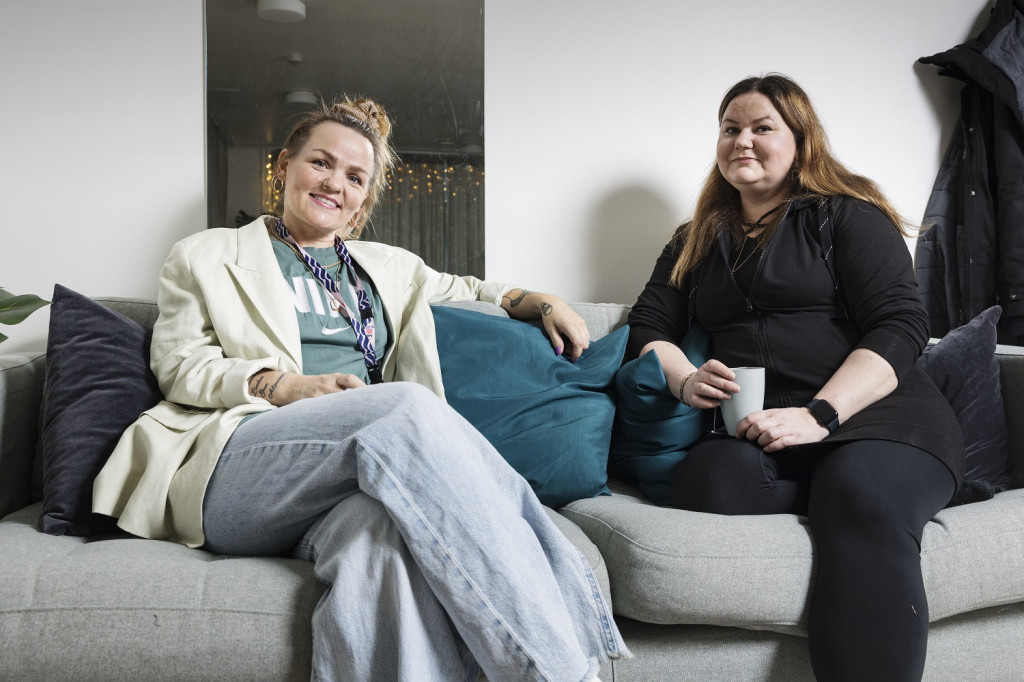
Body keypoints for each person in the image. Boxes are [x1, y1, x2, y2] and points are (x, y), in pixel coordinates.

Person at [92, 96, 628, 681]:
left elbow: (474, 286)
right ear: (284, 166)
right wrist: (282, 385)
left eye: (354, 177)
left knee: (378, 541)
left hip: (352, 476)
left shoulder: (388, 266)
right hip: (238, 461)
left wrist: (540, 302)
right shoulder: (207, 254)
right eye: (320, 164)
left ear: (364, 200)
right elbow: (179, 364)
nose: (334, 184)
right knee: (401, 407)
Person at [626, 74, 964, 681]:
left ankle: (867, 495)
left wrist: (820, 416)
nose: (742, 141)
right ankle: (838, 491)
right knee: (708, 483)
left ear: (801, 141)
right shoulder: (697, 237)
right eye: (731, 129)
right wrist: (682, 379)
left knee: (857, 494)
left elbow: (901, 324)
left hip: (875, 421)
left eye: (762, 128)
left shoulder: (847, 216)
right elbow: (649, 323)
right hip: (765, 432)